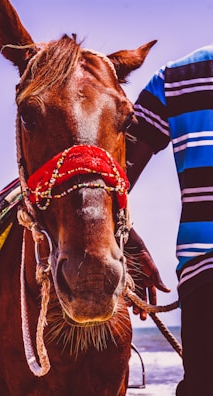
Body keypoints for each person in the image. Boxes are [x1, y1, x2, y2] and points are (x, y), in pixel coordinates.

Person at [125, 44, 213, 395]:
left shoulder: (176, 78)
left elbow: (112, 183)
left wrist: (124, 240)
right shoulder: (173, 79)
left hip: (204, 274)